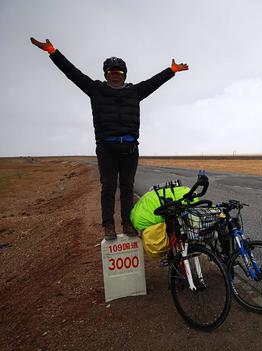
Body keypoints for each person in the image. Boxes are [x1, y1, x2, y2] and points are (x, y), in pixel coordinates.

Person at [30, 37, 189, 240]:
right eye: (112, 72)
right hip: (106, 149)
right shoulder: (95, 89)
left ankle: (128, 224)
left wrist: (171, 71)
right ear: (106, 74)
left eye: (119, 72)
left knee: (127, 188)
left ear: (124, 75)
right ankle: (108, 226)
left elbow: (154, 82)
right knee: (108, 187)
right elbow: (72, 73)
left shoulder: (135, 91)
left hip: (130, 149)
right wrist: (53, 52)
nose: (115, 75)